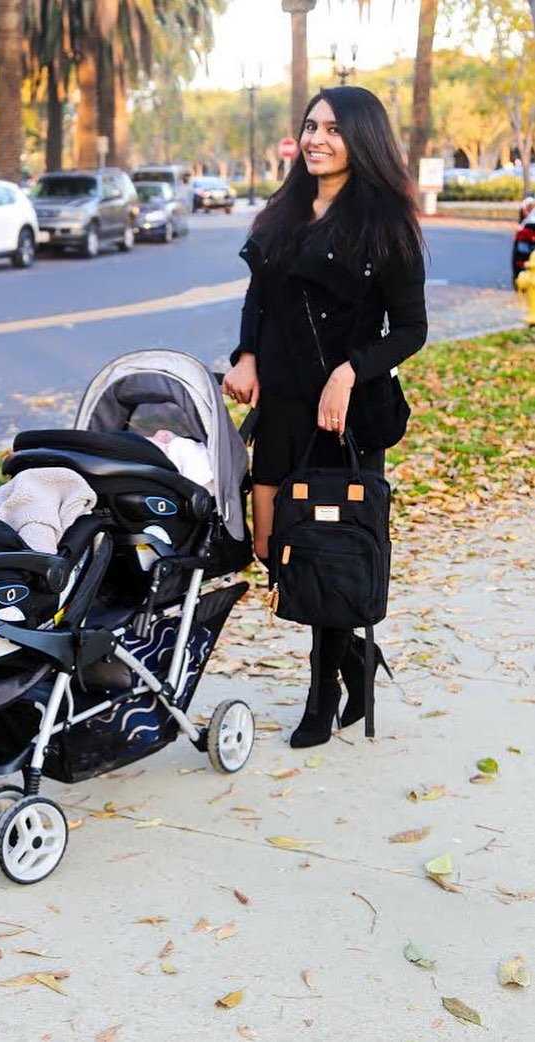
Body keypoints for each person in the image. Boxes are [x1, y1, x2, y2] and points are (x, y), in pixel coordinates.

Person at [222, 85, 427, 748]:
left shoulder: (384, 221)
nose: (315, 139)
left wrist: (349, 370)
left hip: (346, 418)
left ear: (361, 138)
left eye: (332, 130)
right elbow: (259, 299)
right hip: (280, 405)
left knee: (330, 551)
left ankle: (322, 693)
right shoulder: (282, 213)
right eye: (310, 126)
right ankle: (358, 661)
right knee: (271, 546)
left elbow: (411, 329)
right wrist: (245, 354)